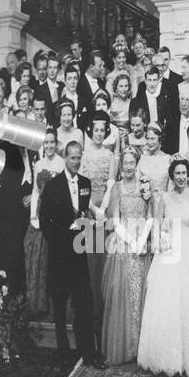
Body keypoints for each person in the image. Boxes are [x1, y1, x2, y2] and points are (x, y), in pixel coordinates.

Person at [135, 160, 189, 375]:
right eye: (177, 173)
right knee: (167, 303)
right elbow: (158, 226)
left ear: (188, 175)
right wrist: (161, 248)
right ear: (172, 176)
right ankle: (166, 359)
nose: (181, 177)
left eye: (184, 173)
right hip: (169, 253)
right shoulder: (164, 198)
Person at [39, 141, 104, 368]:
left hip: (79, 253)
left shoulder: (85, 183)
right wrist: (64, 235)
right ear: (65, 158)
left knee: (84, 302)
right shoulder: (53, 185)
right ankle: (62, 352)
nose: (76, 162)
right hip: (59, 253)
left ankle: (88, 352)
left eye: (79, 158)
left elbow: (86, 213)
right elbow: (45, 221)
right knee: (59, 303)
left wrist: (87, 227)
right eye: (72, 158)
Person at [100, 148, 154, 366]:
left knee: (142, 293)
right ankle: (126, 346)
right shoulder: (117, 187)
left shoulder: (145, 186)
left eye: (132, 162)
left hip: (142, 245)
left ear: (137, 163)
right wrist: (131, 241)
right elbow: (115, 219)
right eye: (125, 163)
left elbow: (151, 215)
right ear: (121, 165)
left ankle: (141, 348)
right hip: (123, 244)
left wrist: (142, 241)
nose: (129, 166)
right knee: (123, 295)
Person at [80, 113, 118, 345]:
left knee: (105, 265)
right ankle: (92, 321)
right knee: (91, 265)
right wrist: (94, 210)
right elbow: (82, 188)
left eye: (103, 130)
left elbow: (112, 183)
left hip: (107, 211)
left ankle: (105, 322)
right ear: (89, 130)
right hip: (89, 213)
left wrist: (104, 209)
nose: (99, 133)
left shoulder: (110, 155)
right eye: (96, 129)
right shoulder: (84, 156)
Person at [25, 130, 64, 316]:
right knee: (35, 251)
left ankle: (54, 306)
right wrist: (33, 216)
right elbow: (35, 191)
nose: (49, 146)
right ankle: (38, 304)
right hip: (40, 212)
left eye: (51, 142)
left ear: (56, 144)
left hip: (55, 214)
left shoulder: (62, 163)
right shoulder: (38, 164)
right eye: (45, 143)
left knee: (53, 257)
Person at [136, 122, 172, 192]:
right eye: (148, 138)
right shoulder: (143, 158)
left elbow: (171, 187)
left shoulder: (168, 159)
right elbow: (137, 181)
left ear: (160, 139)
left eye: (153, 139)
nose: (149, 142)